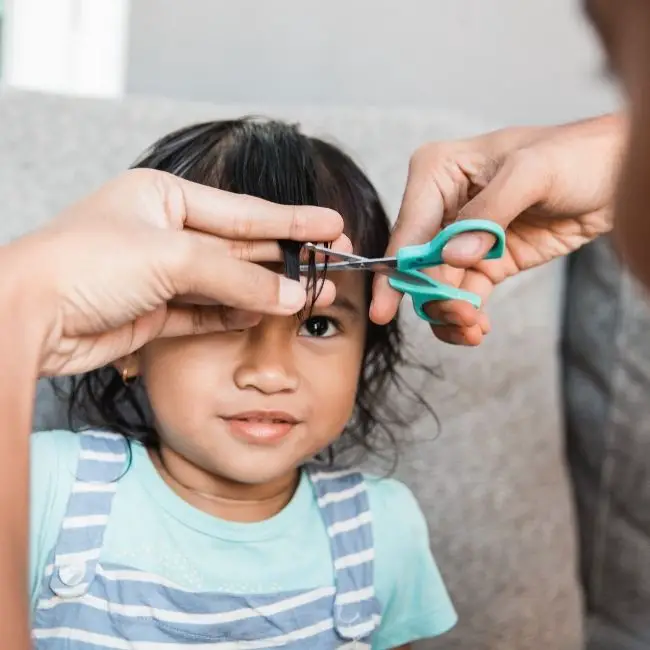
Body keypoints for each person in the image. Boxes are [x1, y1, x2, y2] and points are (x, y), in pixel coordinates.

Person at [28, 118, 457, 649]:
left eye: (318, 324)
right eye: (224, 316)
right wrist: (29, 298)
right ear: (131, 340)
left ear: (365, 353)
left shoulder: (382, 533)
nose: (270, 373)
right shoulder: (46, 489)